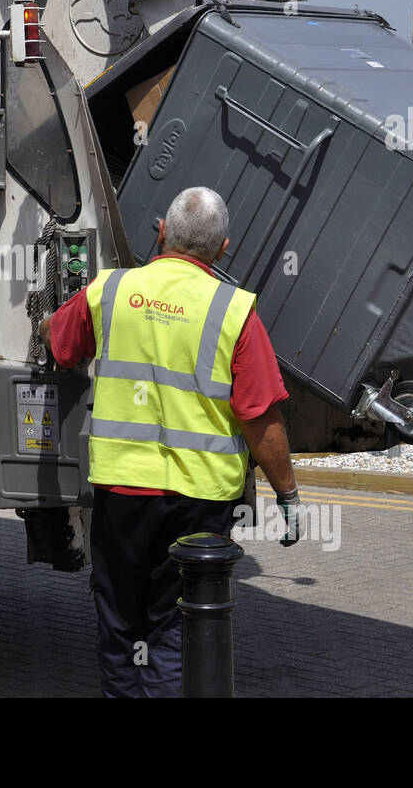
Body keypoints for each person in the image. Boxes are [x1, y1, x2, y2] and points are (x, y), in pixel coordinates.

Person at [39, 186, 301, 698]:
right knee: (175, 629)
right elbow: (260, 417)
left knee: (119, 624)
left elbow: (62, 347)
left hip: (124, 494)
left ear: (161, 230)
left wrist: (48, 319)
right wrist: (287, 494)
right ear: (223, 247)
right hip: (201, 503)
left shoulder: (109, 291)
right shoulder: (235, 310)